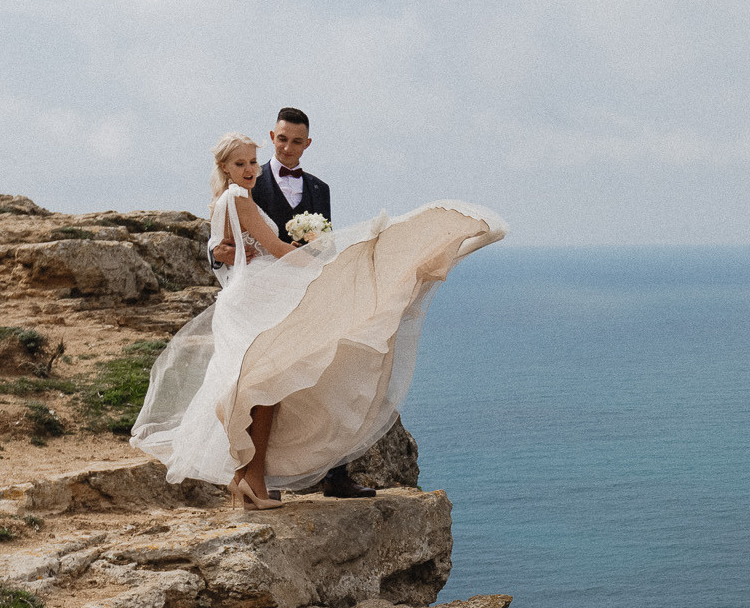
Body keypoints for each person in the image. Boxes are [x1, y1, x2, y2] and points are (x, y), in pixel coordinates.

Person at [132, 130, 506, 509]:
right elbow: (274, 248)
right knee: (263, 387)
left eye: (250, 162)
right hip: (257, 298)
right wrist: (331, 261)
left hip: (249, 296)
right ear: (225, 167)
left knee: (257, 388)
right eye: (240, 163)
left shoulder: (226, 201)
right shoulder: (240, 201)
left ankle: (246, 478)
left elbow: (236, 244)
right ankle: (254, 479)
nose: (249, 170)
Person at [210, 107, 370, 497]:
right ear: (272, 136)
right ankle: (263, 478)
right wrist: (221, 254)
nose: (287, 147)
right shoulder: (248, 184)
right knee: (270, 386)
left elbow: (325, 246)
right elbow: (220, 243)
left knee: (325, 378)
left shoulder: (320, 189)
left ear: (307, 144)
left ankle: (334, 474)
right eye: (281, 139)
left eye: (296, 141)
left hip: (304, 293)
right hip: (264, 298)